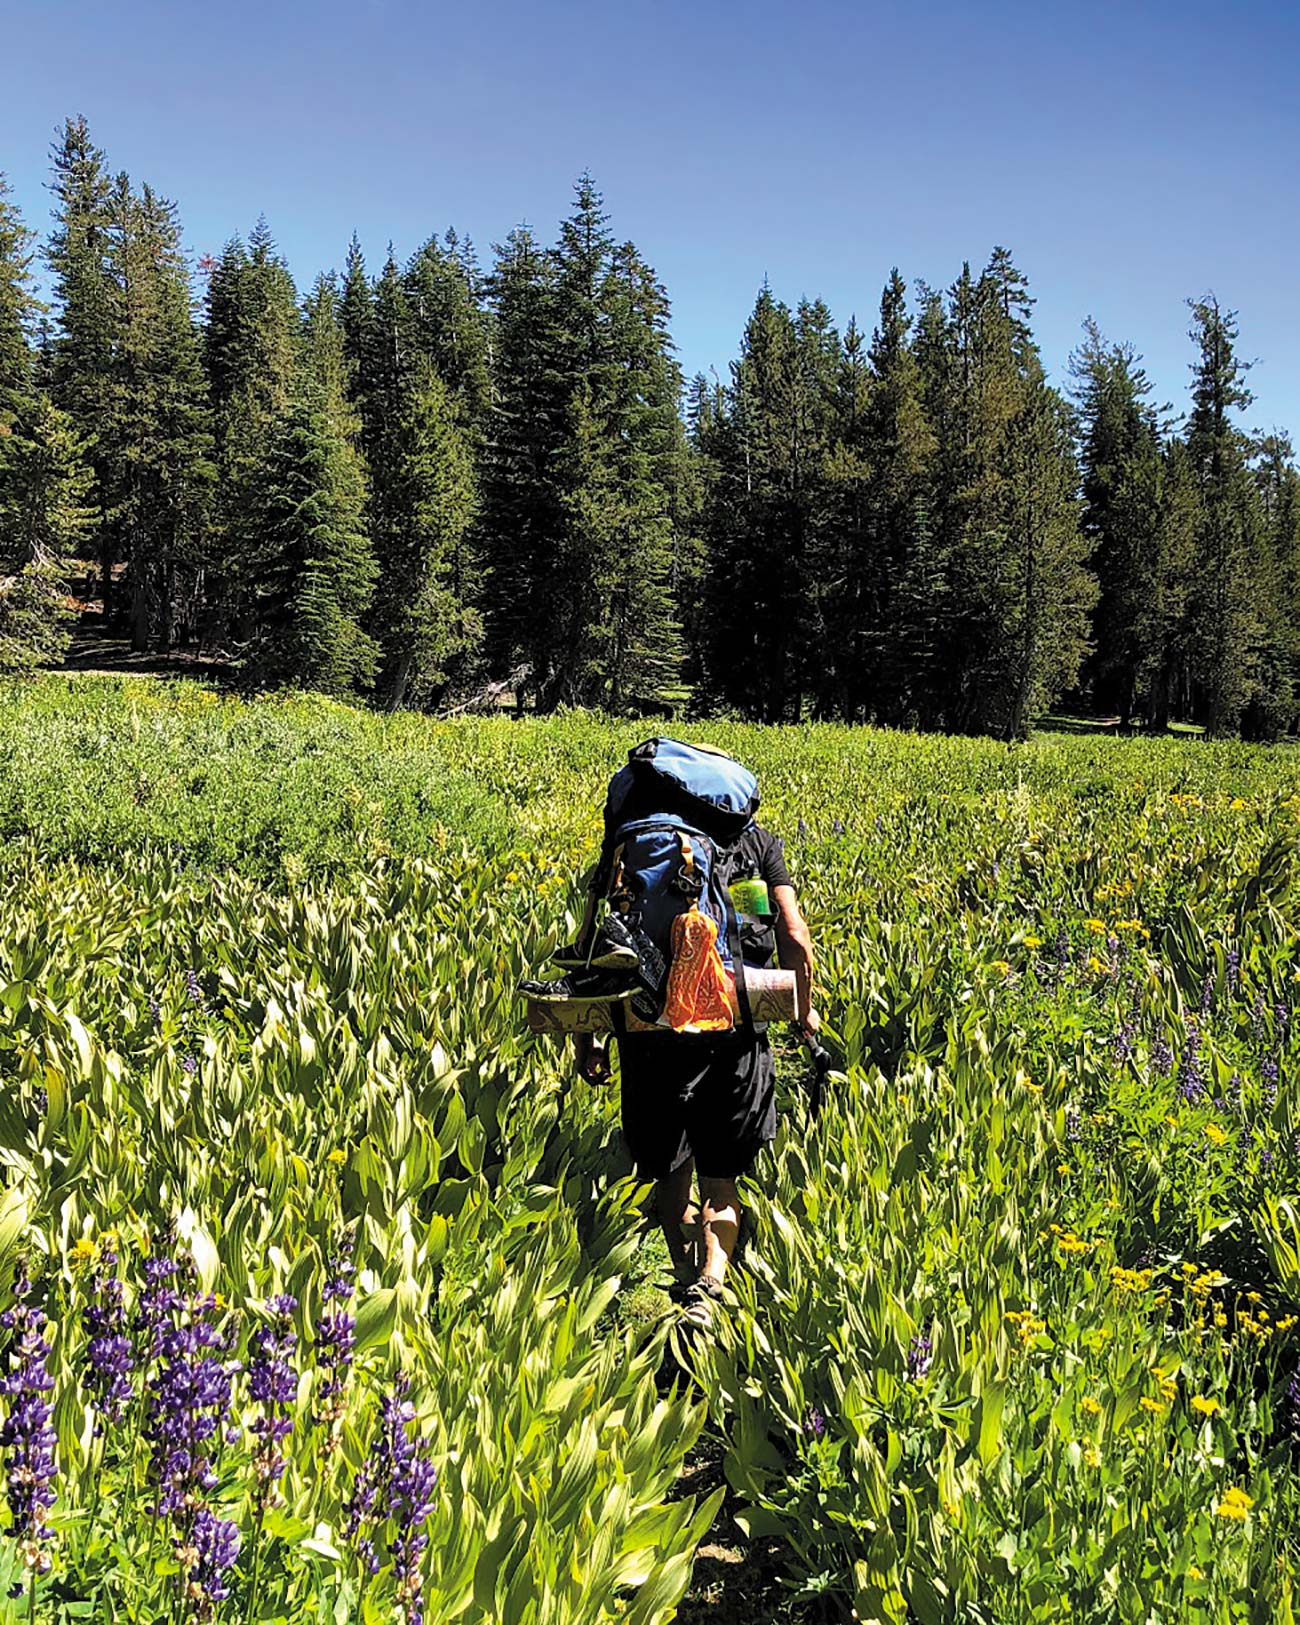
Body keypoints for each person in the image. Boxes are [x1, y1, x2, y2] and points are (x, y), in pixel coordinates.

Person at [575, 819, 818, 1325]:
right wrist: (803, 1007)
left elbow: (588, 949)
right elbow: (793, 931)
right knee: (720, 1177)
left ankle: (684, 1277)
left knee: (669, 1171)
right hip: (732, 1021)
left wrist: (588, 1041)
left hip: (648, 1029)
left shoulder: (631, 842)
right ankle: (710, 1286)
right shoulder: (756, 841)